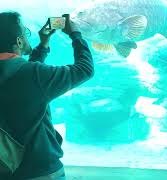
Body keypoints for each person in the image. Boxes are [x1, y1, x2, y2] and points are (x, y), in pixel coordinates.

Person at [0, 12, 94, 179]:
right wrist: (76, 35)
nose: (27, 35)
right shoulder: (33, 76)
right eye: (25, 31)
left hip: (6, 170)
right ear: (19, 41)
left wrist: (43, 44)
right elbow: (84, 69)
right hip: (42, 171)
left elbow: (22, 75)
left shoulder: (29, 75)